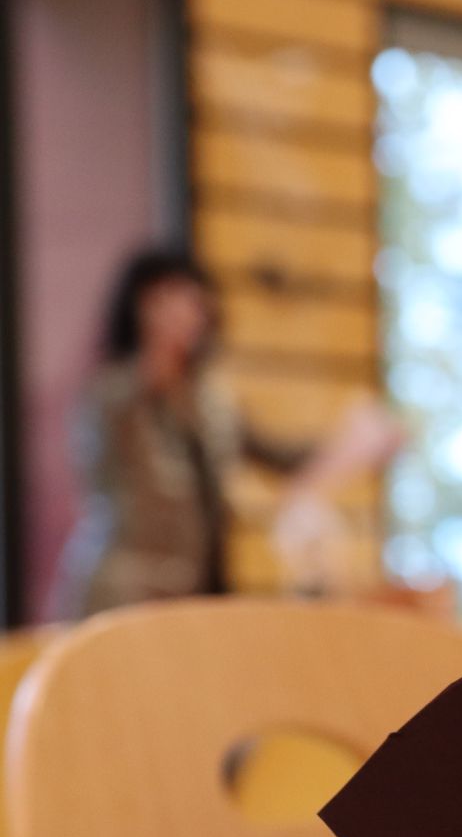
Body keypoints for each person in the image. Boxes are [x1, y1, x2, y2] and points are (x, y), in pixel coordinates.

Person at [53, 249, 397, 617]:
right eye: (166, 299)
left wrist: (354, 440)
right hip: (122, 596)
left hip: (188, 595)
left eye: (191, 300)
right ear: (139, 308)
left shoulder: (211, 407)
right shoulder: (112, 394)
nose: (184, 312)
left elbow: (283, 458)